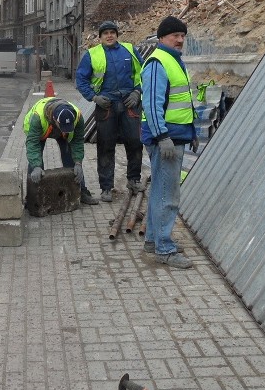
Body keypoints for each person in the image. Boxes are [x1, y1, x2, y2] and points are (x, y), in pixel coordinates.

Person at [141, 16, 198, 269]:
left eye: (183, 35)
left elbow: (182, 101)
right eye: (175, 35)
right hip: (166, 139)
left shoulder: (176, 61)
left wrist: (191, 131)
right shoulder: (157, 62)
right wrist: (162, 137)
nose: (180, 39)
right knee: (168, 194)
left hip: (176, 134)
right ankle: (164, 248)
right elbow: (151, 104)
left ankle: (154, 240)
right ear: (162, 37)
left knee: (160, 191)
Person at [75, 20, 145, 202]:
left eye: (112, 32)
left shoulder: (129, 50)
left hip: (129, 103)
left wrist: (137, 92)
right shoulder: (92, 54)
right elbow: (81, 80)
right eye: (105, 33)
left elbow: (143, 73)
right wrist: (94, 97)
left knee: (135, 142)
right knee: (106, 146)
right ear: (100, 37)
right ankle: (106, 188)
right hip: (106, 105)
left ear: (117, 35)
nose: (109, 35)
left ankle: (134, 179)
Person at [24, 97, 100, 206]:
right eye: (63, 126)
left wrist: (78, 162)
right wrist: (36, 165)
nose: (66, 128)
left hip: (59, 132)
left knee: (71, 161)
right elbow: (32, 144)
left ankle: (81, 192)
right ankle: (31, 198)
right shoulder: (38, 118)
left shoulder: (78, 117)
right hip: (40, 131)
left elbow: (77, 141)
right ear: (55, 119)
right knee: (35, 165)